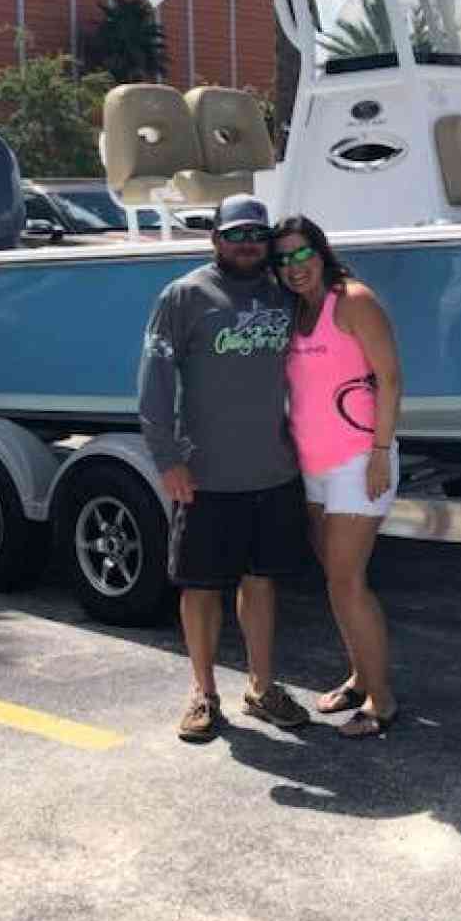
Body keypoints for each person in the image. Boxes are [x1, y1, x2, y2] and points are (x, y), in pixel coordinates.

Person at [138, 194, 311, 742]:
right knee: (200, 588)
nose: (246, 245)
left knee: (260, 584)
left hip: (273, 471)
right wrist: (167, 458)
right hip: (204, 474)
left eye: (255, 236)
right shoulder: (185, 296)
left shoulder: (285, 296)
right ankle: (203, 693)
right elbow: (155, 384)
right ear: (215, 238)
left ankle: (261, 687)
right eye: (234, 235)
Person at [273, 214, 403, 738]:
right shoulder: (294, 312)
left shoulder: (352, 301)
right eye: (283, 259)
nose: (294, 267)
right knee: (337, 581)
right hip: (313, 465)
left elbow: (391, 380)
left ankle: (382, 701)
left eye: (302, 254)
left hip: (358, 461)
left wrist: (380, 452)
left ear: (321, 252)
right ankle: (358, 675)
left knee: (347, 581)